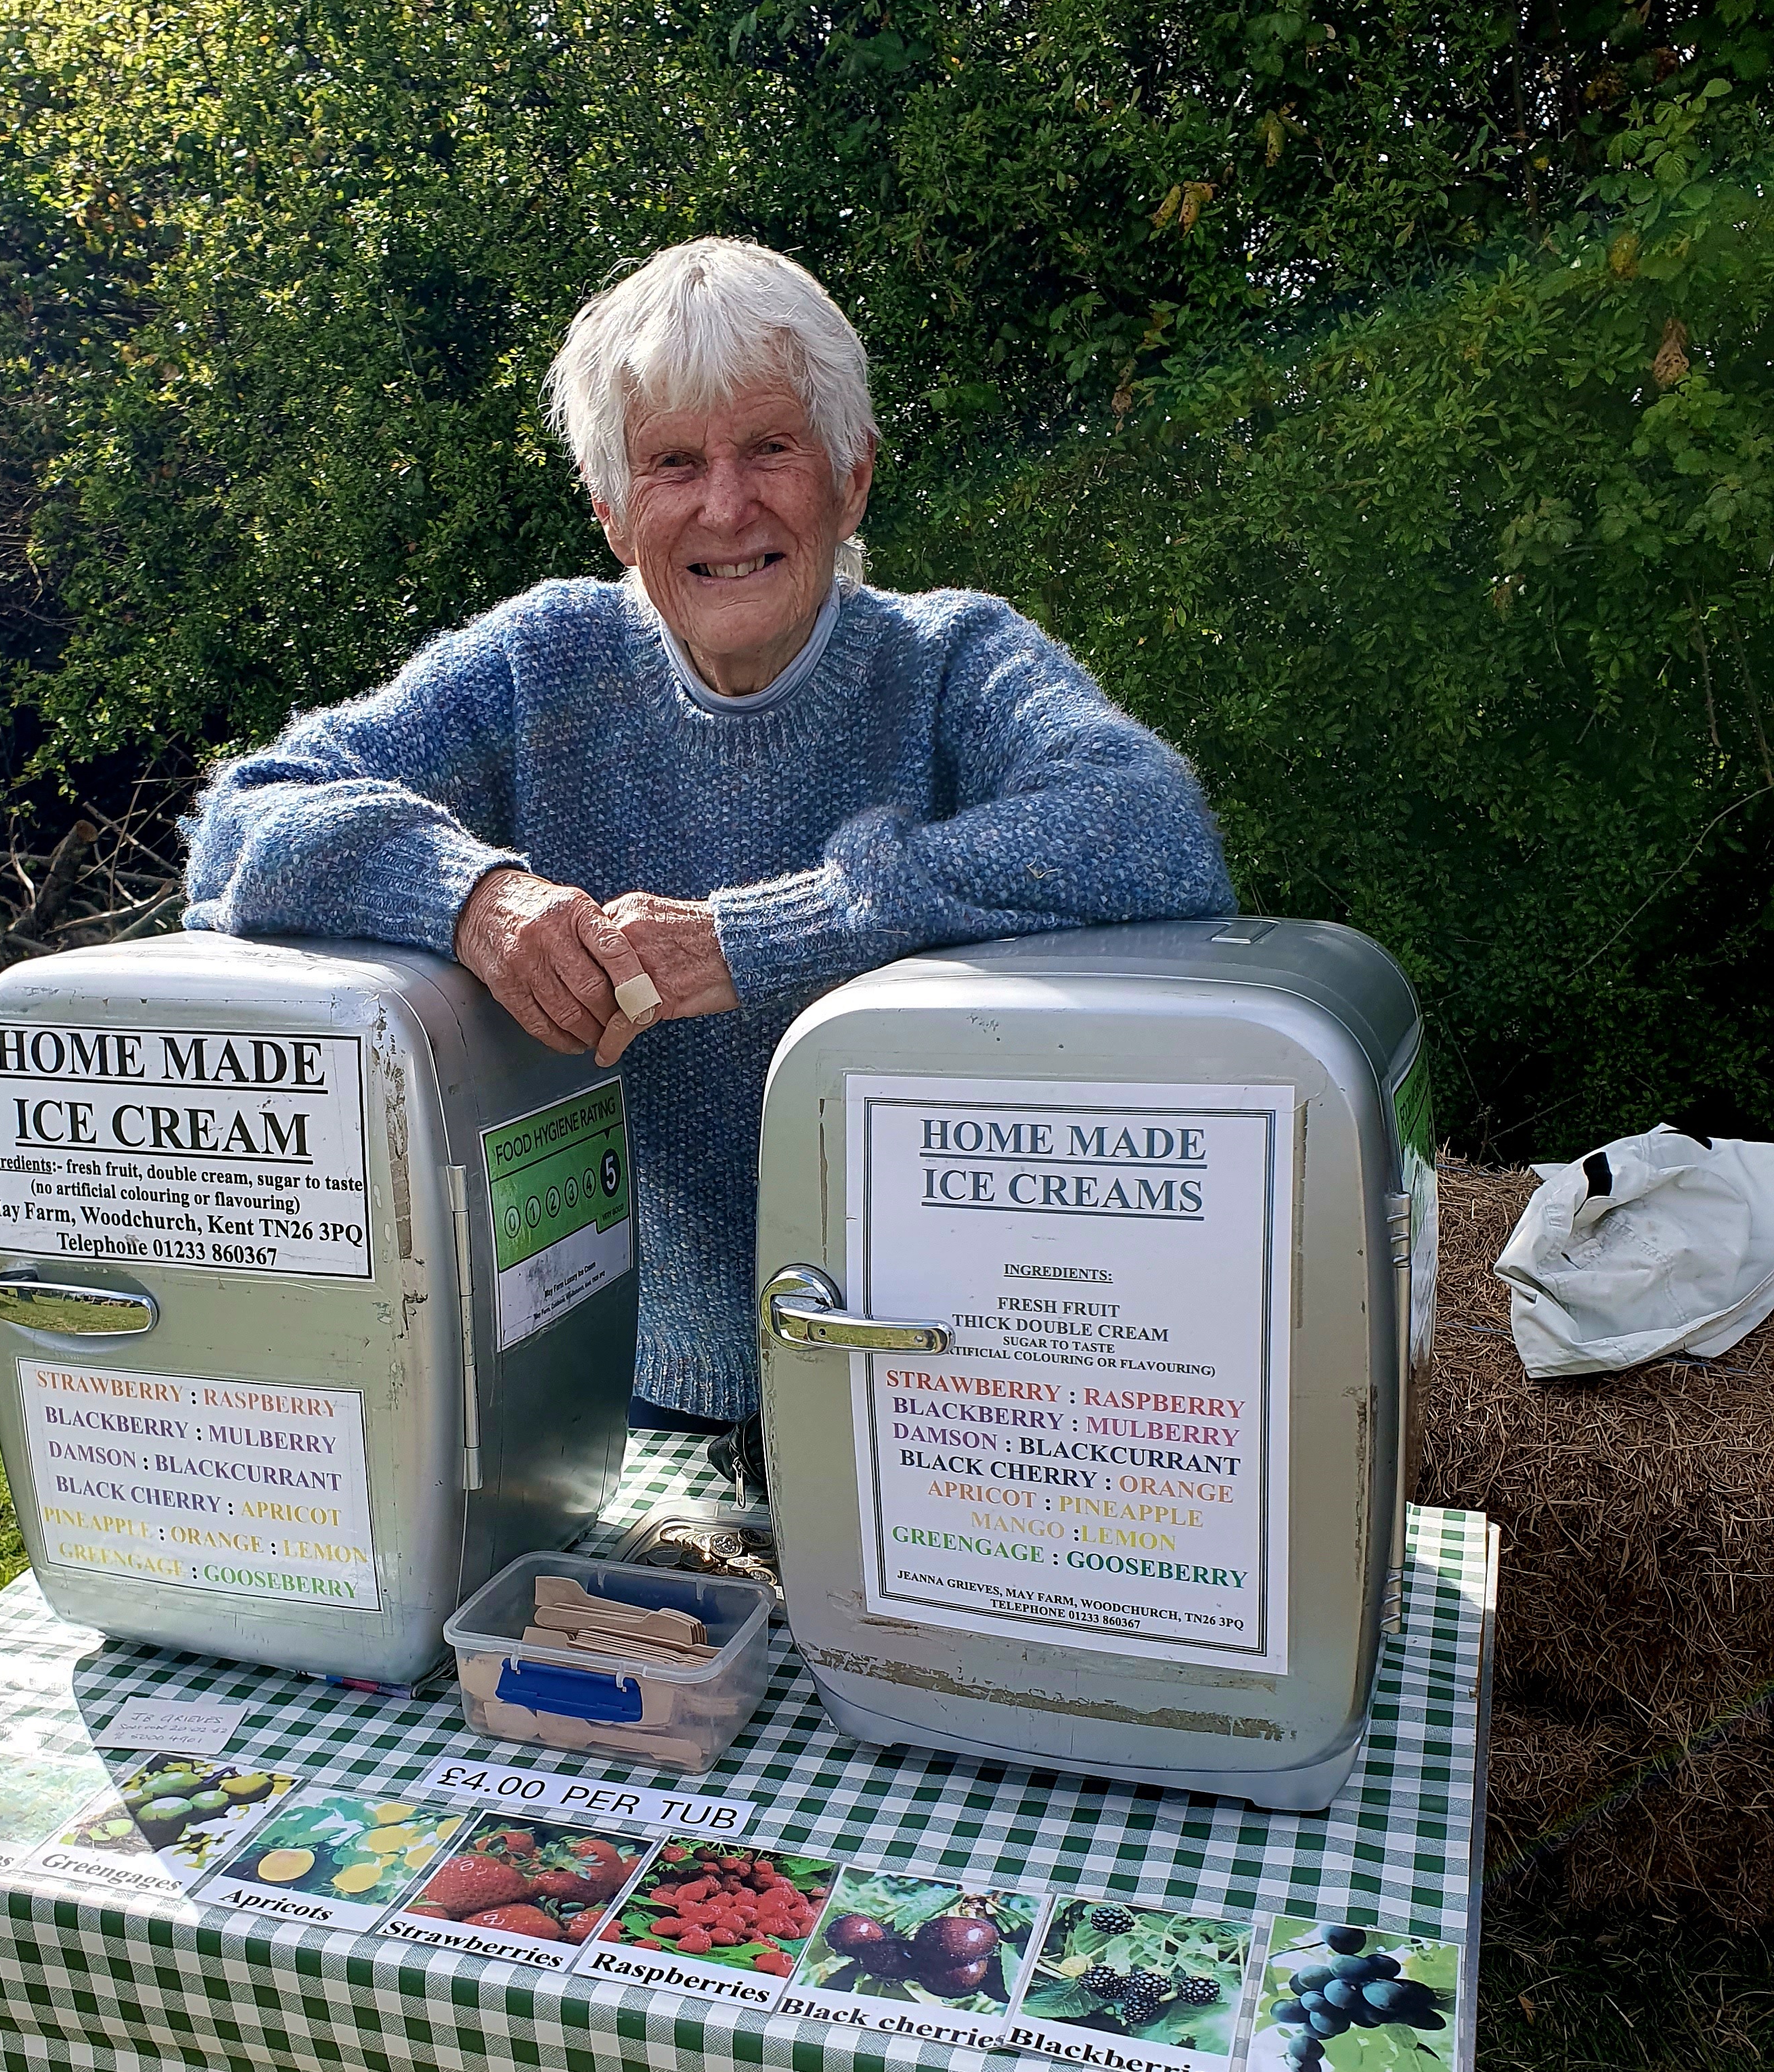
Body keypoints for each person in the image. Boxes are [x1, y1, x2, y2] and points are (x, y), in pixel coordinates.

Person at [183, 237, 1235, 1433]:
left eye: (771, 448)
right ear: (614, 512)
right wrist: (474, 899)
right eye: (673, 462)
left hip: (952, 1379)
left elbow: (1148, 826)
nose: (727, 505)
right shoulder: (542, 665)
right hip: (621, 1390)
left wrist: (770, 937)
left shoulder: (950, 663)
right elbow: (242, 818)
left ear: (853, 479)